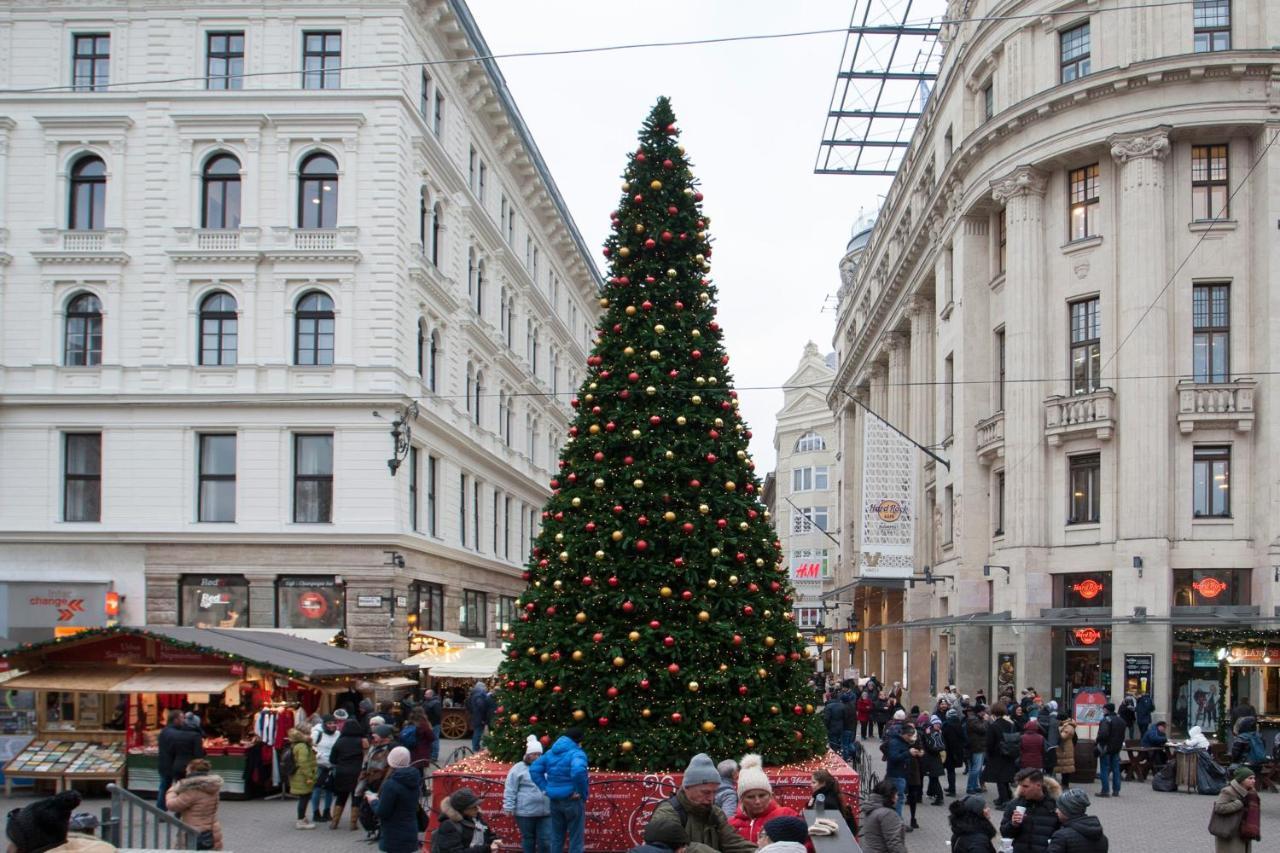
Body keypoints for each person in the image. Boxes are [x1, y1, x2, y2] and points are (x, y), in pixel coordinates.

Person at [646, 753, 755, 853]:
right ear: (687, 787)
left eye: (714, 792)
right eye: (706, 792)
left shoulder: (715, 813)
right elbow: (667, 847)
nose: (711, 799)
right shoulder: (667, 812)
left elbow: (734, 842)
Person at [530, 727, 589, 853]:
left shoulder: (551, 752)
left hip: (555, 800)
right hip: (572, 799)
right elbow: (578, 771)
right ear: (578, 741)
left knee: (556, 838)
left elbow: (534, 769)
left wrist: (545, 788)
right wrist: (581, 792)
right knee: (576, 839)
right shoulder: (576, 753)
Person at [727, 755, 798, 843]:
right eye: (750, 797)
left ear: (770, 795)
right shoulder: (731, 825)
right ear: (741, 800)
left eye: (762, 795)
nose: (757, 801)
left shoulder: (786, 815)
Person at [504, 736, 551, 853]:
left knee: (545, 840)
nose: (537, 757)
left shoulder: (547, 767)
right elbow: (510, 788)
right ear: (528, 755)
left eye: (539, 754)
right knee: (528, 839)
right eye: (534, 754)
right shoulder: (518, 768)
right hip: (525, 812)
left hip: (546, 811)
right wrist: (508, 806)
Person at [165, 758, 223, 850]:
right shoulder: (212, 787)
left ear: (192, 770)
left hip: (194, 831)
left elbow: (172, 805)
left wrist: (172, 790)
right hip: (212, 829)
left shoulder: (192, 790)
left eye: (187, 769)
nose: (186, 771)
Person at [999, 769, 1061, 853]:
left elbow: (1063, 836)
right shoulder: (1014, 804)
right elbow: (1005, 834)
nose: (1021, 789)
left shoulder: (1055, 806)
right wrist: (1013, 824)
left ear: (1038, 785)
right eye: (1020, 786)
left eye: (1025, 786)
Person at [156, 709, 205, 811]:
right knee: (168, 786)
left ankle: (161, 809)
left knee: (165, 786)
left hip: (165, 762)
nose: (184, 720)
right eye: (182, 718)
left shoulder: (165, 731)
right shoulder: (174, 733)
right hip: (171, 763)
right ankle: (163, 809)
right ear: (175, 719)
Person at [430, 785, 498, 853]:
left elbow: (487, 835)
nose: (477, 809)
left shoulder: (476, 818)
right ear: (463, 810)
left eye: (477, 805)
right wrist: (486, 849)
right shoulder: (448, 826)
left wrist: (494, 840)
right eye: (473, 807)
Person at [1210, 766, 1261, 853]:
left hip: (1245, 831)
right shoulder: (1228, 791)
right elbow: (1219, 808)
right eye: (1250, 778)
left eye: (1254, 778)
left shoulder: (1251, 793)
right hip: (1230, 831)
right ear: (1241, 780)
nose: (1253, 781)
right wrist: (1239, 803)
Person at [329, 717, 368, 829]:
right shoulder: (362, 741)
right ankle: (353, 823)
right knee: (356, 796)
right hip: (357, 772)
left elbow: (332, 759)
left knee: (341, 796)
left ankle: (335, 822)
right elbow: (367, 757)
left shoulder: (339, 741)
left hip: (341, 772)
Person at [858, 779, 907, 853]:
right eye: (896, 794)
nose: (897, 797)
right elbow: (894, 844)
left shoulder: (871, 808)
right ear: (891, 796)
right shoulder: (888, 814)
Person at [983, 704, 1017, 807]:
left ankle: (1005, 801)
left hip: (997, 755)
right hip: (1009, 753)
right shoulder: (1010, 724)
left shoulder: (993, 726)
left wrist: (989, 753)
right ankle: (1007, 797)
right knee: (1005, 777)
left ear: (993, 712)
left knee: (1000, 779)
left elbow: (989, 743)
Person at [310, 714, 341, 822]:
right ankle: (315, 812)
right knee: (317, 789)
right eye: (329, 723)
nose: (332, 725)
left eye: (334, 723)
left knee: (330, 790)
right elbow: (310, 746)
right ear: (324, 724)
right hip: (320, 765)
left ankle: (327, 811)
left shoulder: (338, 734)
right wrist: (318, 755)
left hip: (332, 765)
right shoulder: (317, 733)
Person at [287, 726, 319, 829]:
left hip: (299, 775)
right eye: (309, 732)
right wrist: (310, 775)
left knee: (304, 797)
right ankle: (300, 820)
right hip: (302, 776)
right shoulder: (302, 746)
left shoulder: (296, 744)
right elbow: (303, 763)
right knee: (304, 797)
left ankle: (302, 818)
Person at [1093, 704, 1125, 798]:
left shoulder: (1106, 720)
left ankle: (1105, 790)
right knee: (1116, 769)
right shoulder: (1121, 720)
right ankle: (1116, 790)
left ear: (1106, 710)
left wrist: (1098, 741)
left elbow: (1103, 734)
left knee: (1104, 769)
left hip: (1106, 747)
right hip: (1116, 748)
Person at [883, 719, 912, 818]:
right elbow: (893, 757)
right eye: (910, 736)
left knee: (897, 798)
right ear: (905, 735)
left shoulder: (901, 742)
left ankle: (896, 819)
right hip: (896, 775)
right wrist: (908, 753)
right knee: (898, 799)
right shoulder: (896, 742)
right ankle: (897, 821)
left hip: (899, 774)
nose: (911, 739)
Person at [921, 716, 946, 805]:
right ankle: (931, 793)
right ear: (932, 724)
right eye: (936, 724)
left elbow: (932, 747)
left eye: (939, 724)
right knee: (933, 778)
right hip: (931, 760)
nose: (938, 725)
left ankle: (939, 798)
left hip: (932, 759)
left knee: (934, 779)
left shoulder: (935, 733)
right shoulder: (930, 733)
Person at [942, 708, 967, 797]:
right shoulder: (959, 724)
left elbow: (949, 740)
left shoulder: (948, 725)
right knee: (951, 771)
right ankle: (951, 787)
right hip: (957, 752)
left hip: (950, 752)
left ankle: (952, 790)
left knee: (950, 771)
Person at [965, 707, 988, 795]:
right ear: (979, 712)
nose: (985, 713)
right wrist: (985, 721)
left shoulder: (977, 719)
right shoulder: (972, 720)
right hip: (976, 747)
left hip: (980, 747)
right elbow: (982, 729)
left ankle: (975, 786)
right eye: (983, 711)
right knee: (975, 769)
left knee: (978, 769)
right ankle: (970, 787)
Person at [466, 682, 492, 752]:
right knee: (478, 732)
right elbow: (481, 705)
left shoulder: (474, 694)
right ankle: (475, 748)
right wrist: (484, 714)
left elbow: (468, 705)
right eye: (484, 686)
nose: (486, 688)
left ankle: (476, 747)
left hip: (476, 716)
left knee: (477, 732)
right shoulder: (479, 695)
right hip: (479, 716)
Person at [1057, 712, 1078, 789]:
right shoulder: (1065, 725)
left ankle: (1065, 784)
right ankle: (1064, 783)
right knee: (1064, 767)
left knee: (1066, 768)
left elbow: (1063, 736)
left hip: (1066, 750)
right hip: (1064, 749)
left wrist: (1058, 729)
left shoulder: (1069, 726)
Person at [422, 689, 444, 760]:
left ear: (431, 695)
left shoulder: (435, 703)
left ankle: (434, 755)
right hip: (430, 723)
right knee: (430, 739)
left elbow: (438, 714)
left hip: (434, 723)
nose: (425, 695)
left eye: (426, 694)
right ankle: (431, 754)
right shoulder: (427, 702)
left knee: (434, 739)